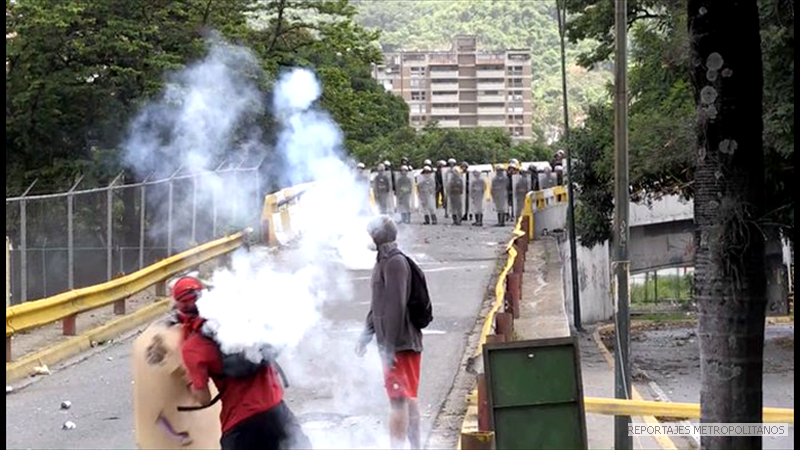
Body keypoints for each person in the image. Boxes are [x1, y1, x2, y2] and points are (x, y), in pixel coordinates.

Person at [175, 276, 309, 450]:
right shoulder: (240, 316)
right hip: (276, 413)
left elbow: (203, 398)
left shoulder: (193, 346)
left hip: (240, 423)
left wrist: (190, 380)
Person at [356, 216, 423, 450]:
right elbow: (378, 305)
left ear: (377, 237)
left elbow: (395, 306)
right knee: (406, 397)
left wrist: (390, 348)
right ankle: (416, 446)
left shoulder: (394, 263)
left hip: (400, 344)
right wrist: (366, 335)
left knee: (397, 401)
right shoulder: (382, 261)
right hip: (398, 344)